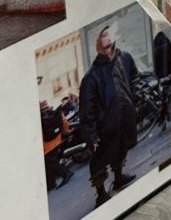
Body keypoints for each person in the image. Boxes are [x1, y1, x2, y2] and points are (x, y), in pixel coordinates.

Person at [79, 26, 138, 208]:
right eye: (101, 36)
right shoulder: (91, 77)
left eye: (107, 34)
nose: (106, 39)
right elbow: (86, 112)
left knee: (121, 149)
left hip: (124, 118)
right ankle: (101, 194)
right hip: (106, 127)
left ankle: (119, 178)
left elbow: (134, 78)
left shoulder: (124, 58)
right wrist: (91, 137)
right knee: (100, 161)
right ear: (97, 45)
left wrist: (133, 101)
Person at [40, 100, 73, 190]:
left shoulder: (40, 117)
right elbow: (64, 122)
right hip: (58, 139)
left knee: (50, 163)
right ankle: (50, 183)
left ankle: (66, 173)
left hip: (48, 145)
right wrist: (64, 132)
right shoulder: (54, 112)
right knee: (48, 163)